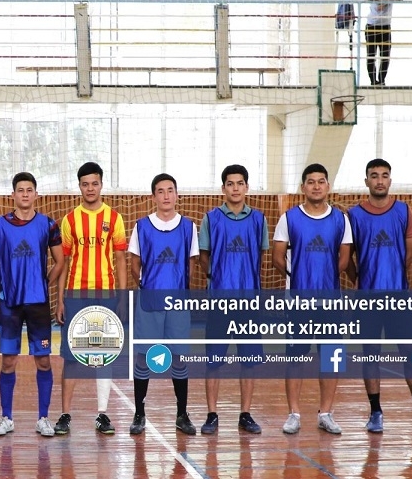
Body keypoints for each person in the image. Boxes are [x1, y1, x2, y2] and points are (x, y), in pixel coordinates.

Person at [346, 159, 412, 436]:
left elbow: (409, 253)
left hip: (398, 296)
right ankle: (375, 412)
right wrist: (359, 280)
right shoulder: (353, 214)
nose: (379, 180)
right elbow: (347, 255)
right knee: (370, 354)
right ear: (366, 181)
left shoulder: (403, 210)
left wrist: (394, 278)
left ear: (390, 180)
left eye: (384, 176)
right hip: (367, 299)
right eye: (374, 175)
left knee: (411, 353)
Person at [271, 163, 352, 435]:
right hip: (298, 302)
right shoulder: (289, 218)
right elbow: (277, 257)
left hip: (330, 302)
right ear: (303, 187)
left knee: (331, 357)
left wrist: (324, 280)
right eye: (310, 181)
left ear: (328, 186)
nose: (316, 186)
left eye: (321, 181)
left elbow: (344, 258)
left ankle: (326, 413)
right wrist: (300, 278)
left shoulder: (341, 219)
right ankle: (293, 413)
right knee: (295, 358)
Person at [0, 172, 65, 439]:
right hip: (10, 304)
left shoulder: (48, 224)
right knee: (8, 360)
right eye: (20, 190)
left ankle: (43, 418)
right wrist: (3, 283)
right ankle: (6, 417)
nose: (24, 194)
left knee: (43, 361)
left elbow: (60, 261)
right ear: (13, 195)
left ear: (36, 194)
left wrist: (44, 282)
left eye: (29, 190)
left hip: (38, 304)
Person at [54, 161, 127, 436]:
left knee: (103, 355)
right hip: (74, 296)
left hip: (107, 295)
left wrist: (121, 297)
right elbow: (64, 263)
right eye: (85, 184)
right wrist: (60, 299)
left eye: (94, 183)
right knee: (71, 358)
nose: (90, 188)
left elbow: (120, 259)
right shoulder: (70, 220)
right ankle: (65, 415)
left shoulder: (115, 217)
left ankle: (103, 414)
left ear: (101, 184)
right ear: (80, 186)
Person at [198, 164, 267, 435]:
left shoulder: (259, 219)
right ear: (223, 188)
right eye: (230, 183)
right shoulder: (210, 218)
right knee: (213, 361)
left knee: (248, 360)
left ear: (246, 187)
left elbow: (260, 258)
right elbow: (204, 256)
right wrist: (218, 278)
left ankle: (245, 414)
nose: (235, 188)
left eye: (240, 183)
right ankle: (212, 414)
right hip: (220, 302)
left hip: (249, 302)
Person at [128, 174, 199, 436]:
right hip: (150, 301)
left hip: (178, 302)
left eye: (170, 190)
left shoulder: (189, 227)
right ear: (153, 196)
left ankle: (182, 414)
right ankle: (139, 413)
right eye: (161, 191)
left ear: (177, 195)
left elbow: (191, 262)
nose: (166, 195)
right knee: (144, 356)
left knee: (179, 357)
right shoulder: (142, 226)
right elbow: (134, 261)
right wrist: (146, 284)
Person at [362, 0, 403, 86]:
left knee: (385, 55)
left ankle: (382, 80)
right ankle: (373, 81)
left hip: (385, 25)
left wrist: (386, 0)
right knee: (371, 55)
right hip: (372, 25)